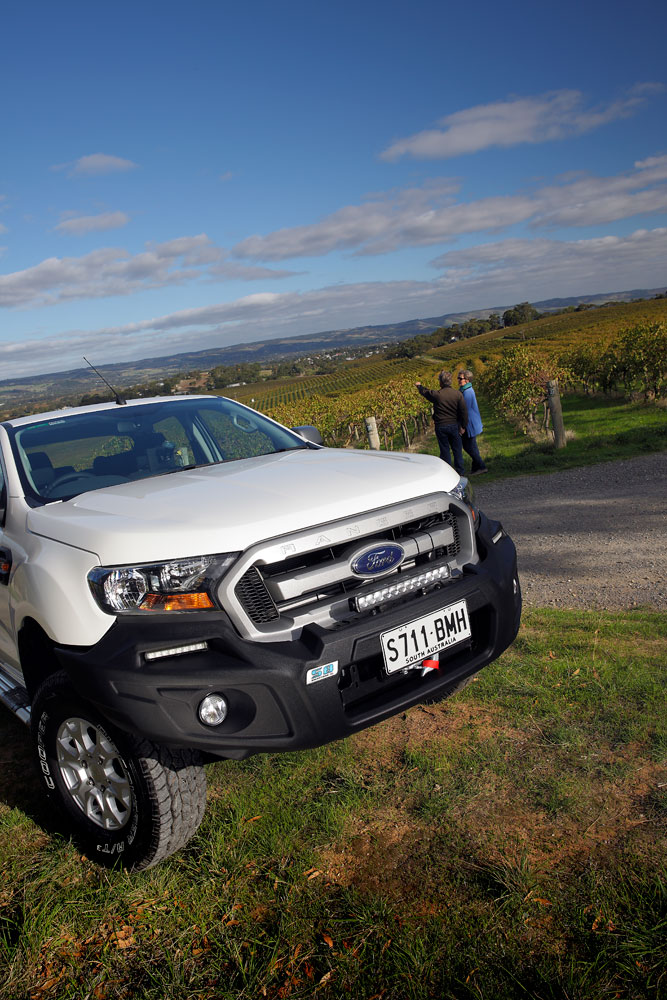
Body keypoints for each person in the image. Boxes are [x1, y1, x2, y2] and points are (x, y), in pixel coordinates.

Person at [415, 371, 467, 475]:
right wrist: (463, 426)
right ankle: (460, 473)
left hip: (441, 427)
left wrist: (419, 386)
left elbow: (425, 392)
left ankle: (448, 474)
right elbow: (463, 411)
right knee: (457, 450)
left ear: (441, 382)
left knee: (445, 451)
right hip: (454, 426)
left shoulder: (437, 395)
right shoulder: (458, 394)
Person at [457, 369, 488, 475]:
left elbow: (465, 411)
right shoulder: (465, 390)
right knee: (472, 446)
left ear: (467, 380)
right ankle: (476, 468)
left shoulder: (467, 392)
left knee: (468, 446)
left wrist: (462, 426)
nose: (459, 380)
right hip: (470, 423)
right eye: (458, 378)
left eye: (461, 378)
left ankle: (482, 466)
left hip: (469, 424)